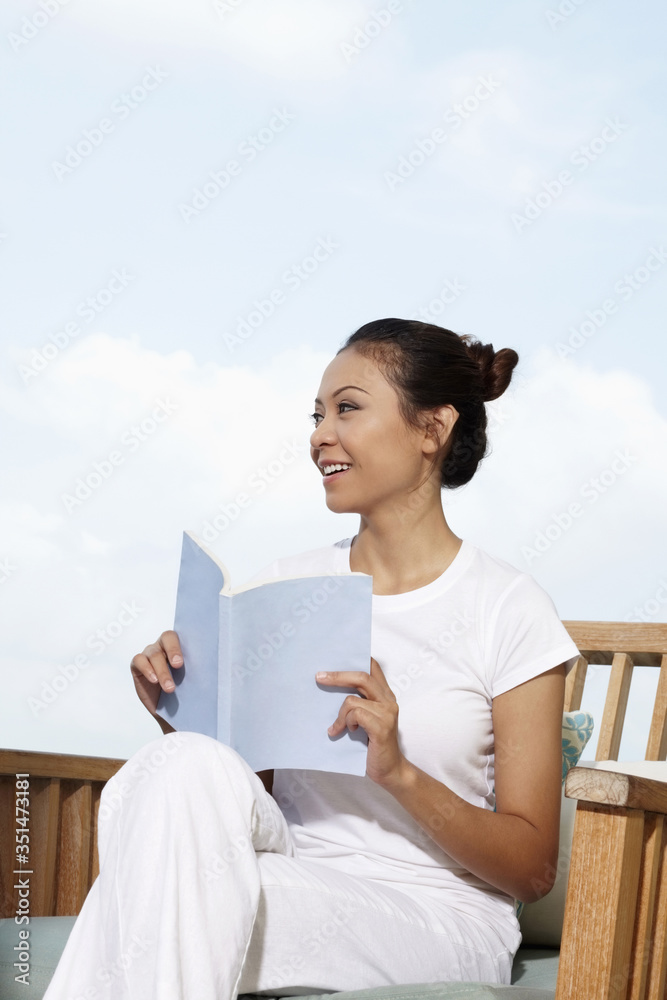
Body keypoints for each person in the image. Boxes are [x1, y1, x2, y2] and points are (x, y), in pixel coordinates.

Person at [43, 318, 581, 1000]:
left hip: (436, 913)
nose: (319, 434)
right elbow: (240, 793)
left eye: (348, 409)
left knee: (159, 891)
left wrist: (397, 772)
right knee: (177, 768)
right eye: (317, 414)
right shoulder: (286, 587)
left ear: (431, 428)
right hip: (288, 866)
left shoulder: (508, 607)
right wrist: (183, 711)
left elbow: (530, 873)